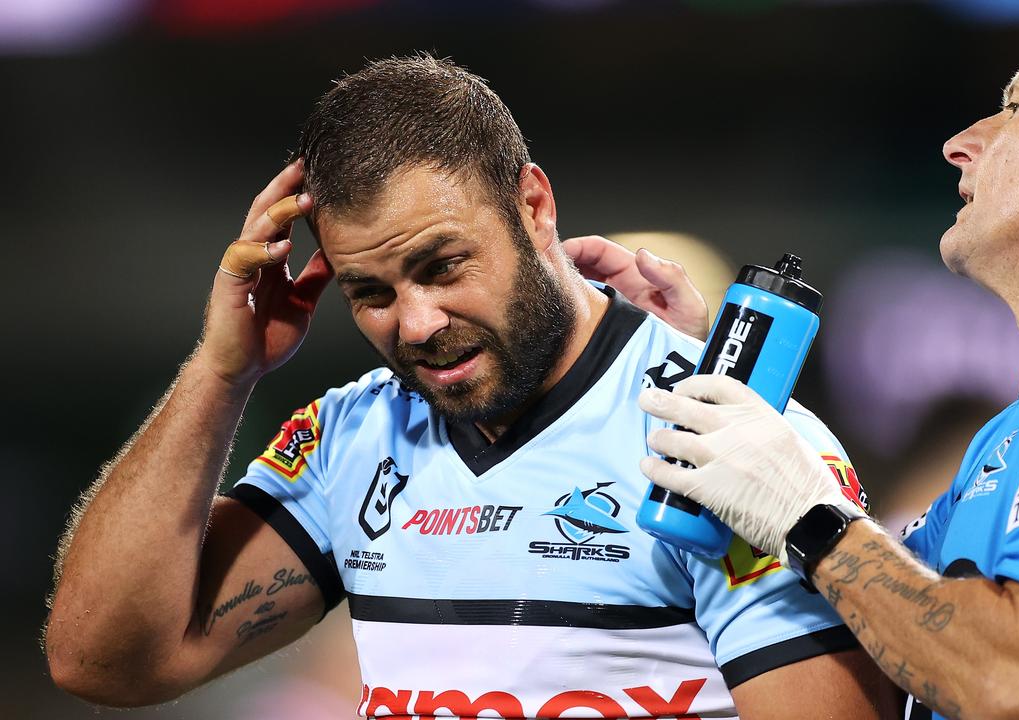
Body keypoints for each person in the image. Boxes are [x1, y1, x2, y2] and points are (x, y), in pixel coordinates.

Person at [42, 54, 896, 719]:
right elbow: (103, 660)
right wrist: (221, 371)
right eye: (370, 293)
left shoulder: (731, 442)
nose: (414, 324)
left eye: (441, 266)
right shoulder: (351, 441)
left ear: (533, 205)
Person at [571, 1, 1019, 718]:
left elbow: (1018, 687)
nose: (960, 143)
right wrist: (720, 370)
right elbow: (904, 626)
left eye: (1013, 108)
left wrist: (807, 517)